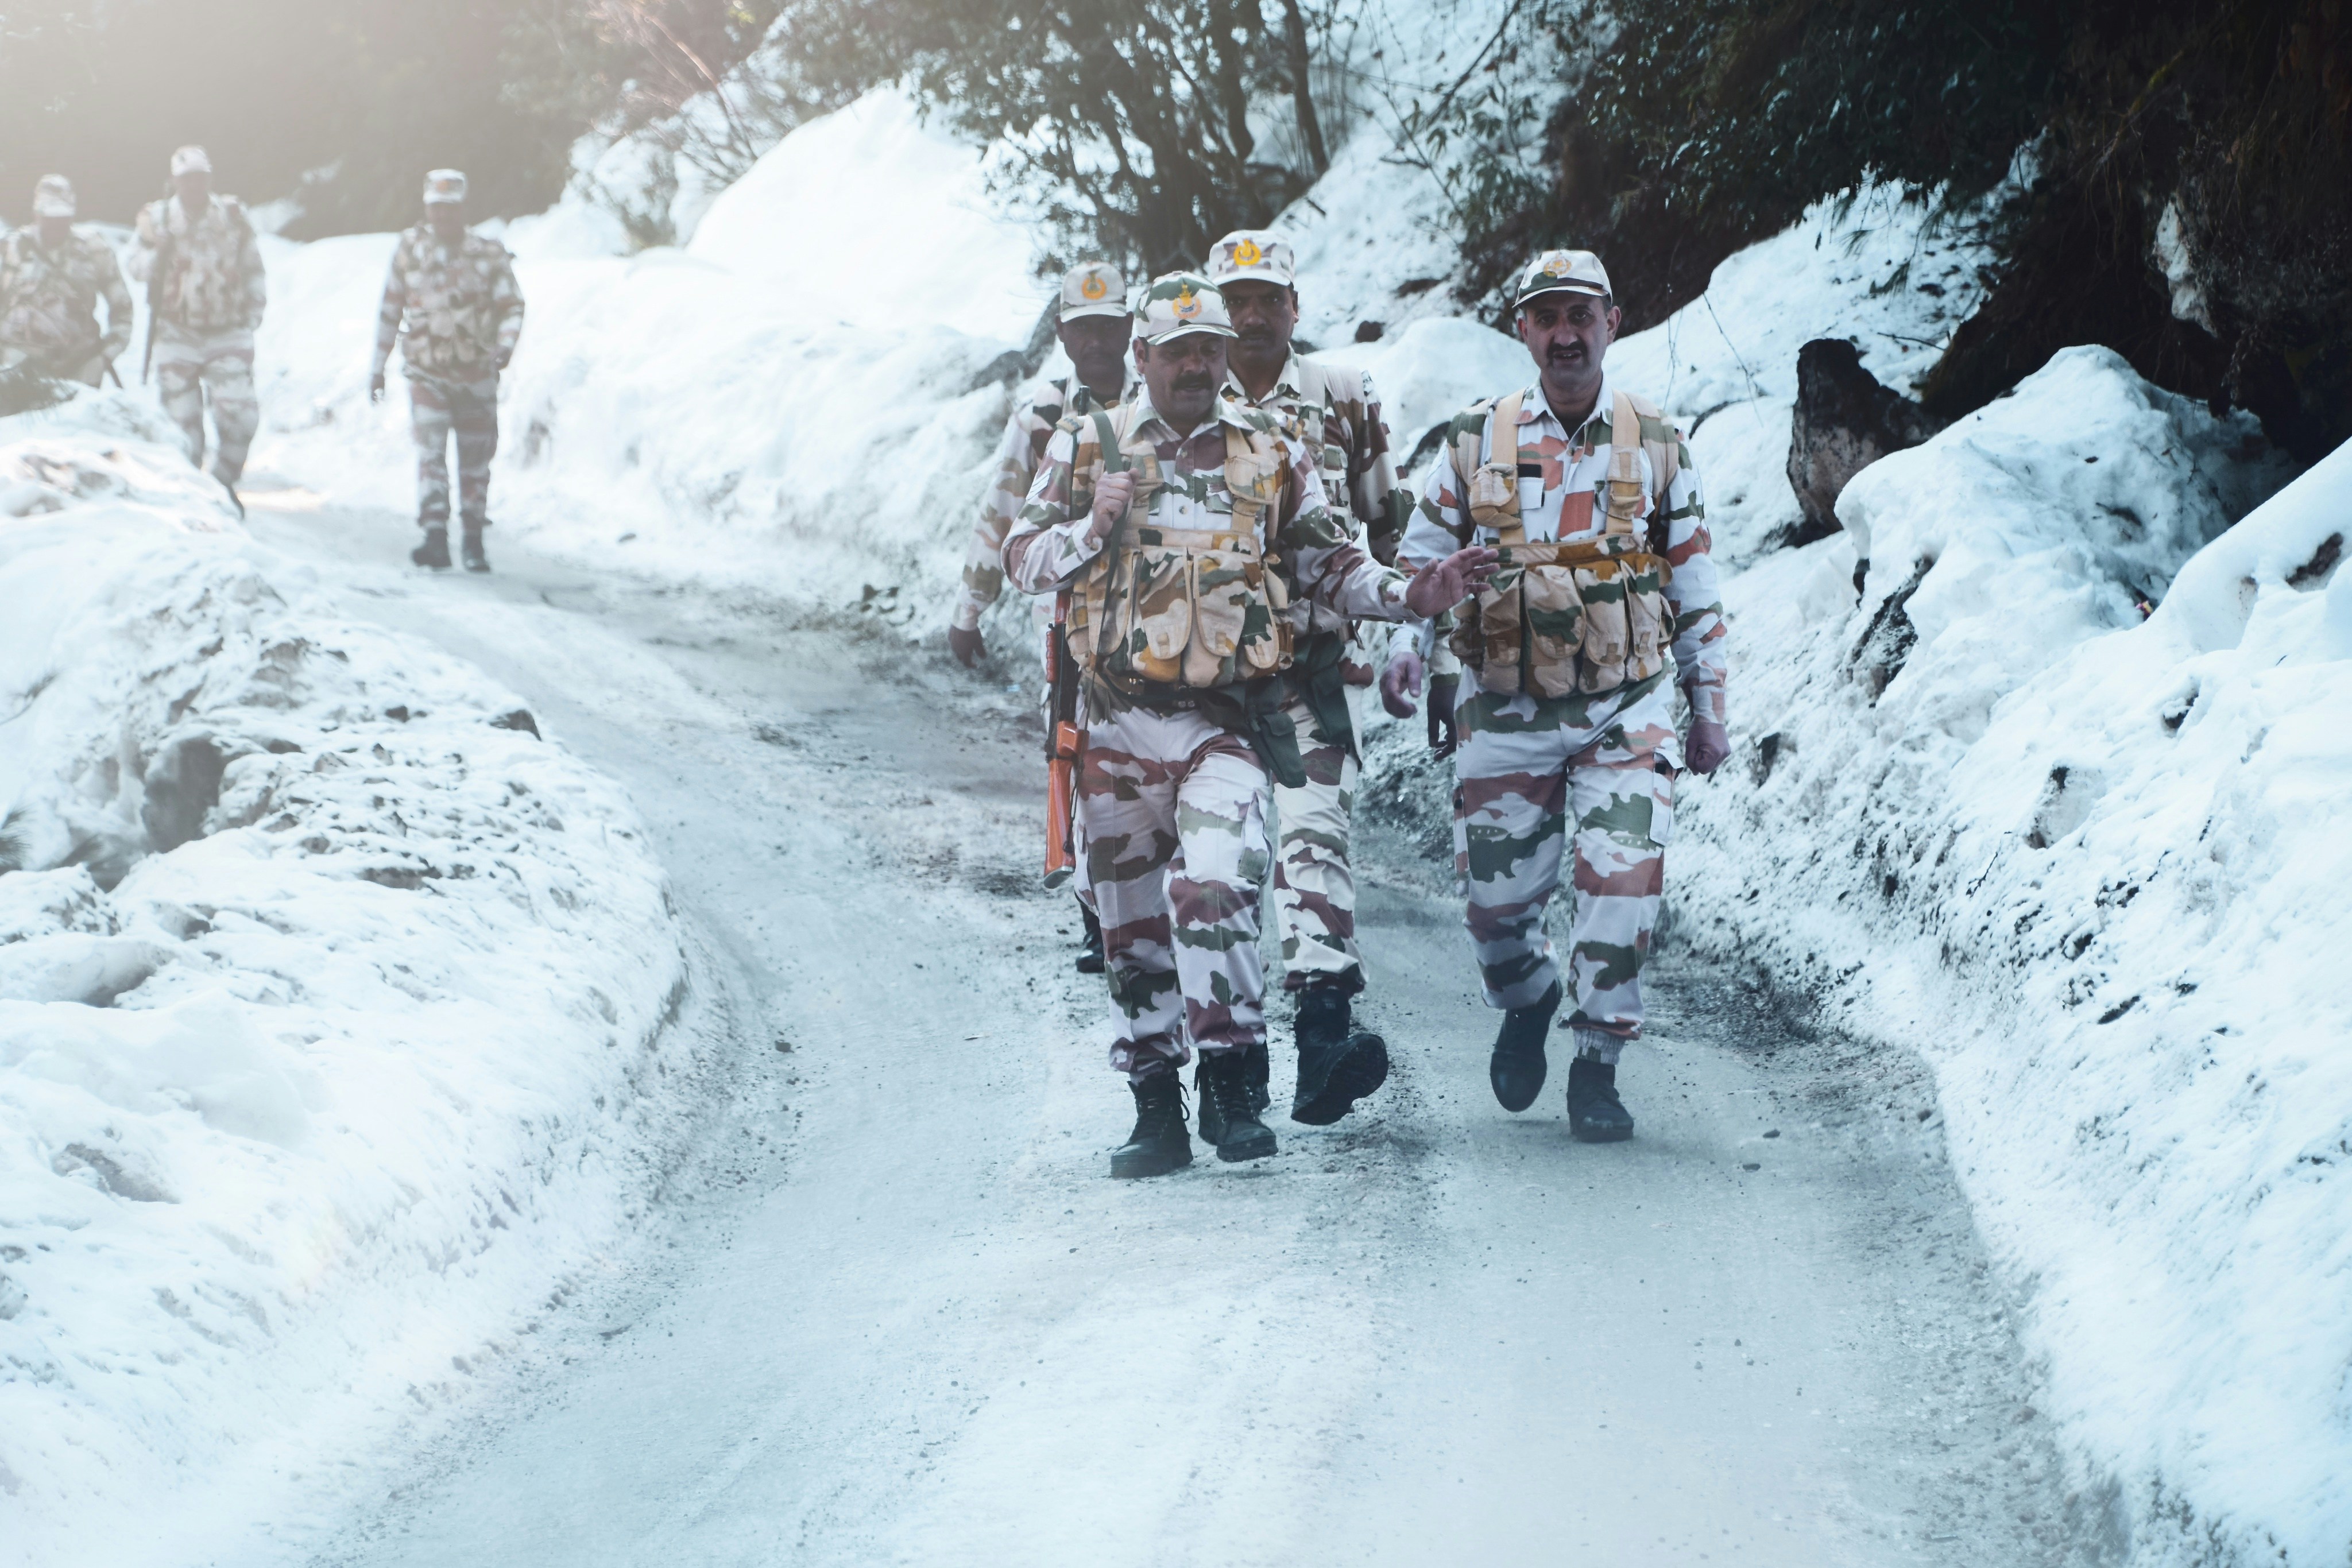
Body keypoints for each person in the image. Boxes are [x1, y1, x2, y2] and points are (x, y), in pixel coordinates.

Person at [1003, 272, 1495, 1179]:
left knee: (1219, 881)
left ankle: (1234, 1080)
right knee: (1130, 927)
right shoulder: (1088, 441)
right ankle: (1156, 1106)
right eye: (1178, 349)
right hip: (1113, 721)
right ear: (1142, 355)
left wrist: (1408, 594)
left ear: (1226, 355)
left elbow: (1329, 560)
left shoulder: (1270, 449)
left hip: (1225, 721)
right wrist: (1090, 526)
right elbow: (1022, 555)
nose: (1196, 365)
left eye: (1209, 349)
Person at [1382, 249, 1730, 1143]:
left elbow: (1691, 583)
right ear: (1524, 329)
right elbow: (1422, 566)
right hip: (1505, 706)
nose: (1567, 334)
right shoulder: (1474, 441)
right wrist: (1406, 647)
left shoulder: (1655, 443)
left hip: (1626, 705)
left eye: (1583, 315)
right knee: (1496, 913)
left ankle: (1597, 1064)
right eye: (1550, 317)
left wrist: (1709, 708)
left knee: (1624, 882)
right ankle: (1529, 997)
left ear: (1612, 322)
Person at [1202, 229, 1407, 1129]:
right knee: (1218, 868)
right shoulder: (1171, 396)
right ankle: (1221, 1063)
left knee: (1313, 836)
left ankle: (1324, 1033)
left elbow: (1387, 524)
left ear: (1295, 306)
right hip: (1198, 680)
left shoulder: (1342, 395)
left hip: (1306, 670)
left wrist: (1416, 636)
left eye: (1267, 299)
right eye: (1235, 300)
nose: (1252, 315)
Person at [950, 260, 1135, 974]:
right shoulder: (1043, 415)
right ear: (1062, 334)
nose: (1095, 341)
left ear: (1127, 329)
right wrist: (970, 607)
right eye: (1081, 328)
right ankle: (1097, 914)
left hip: (1154, 618)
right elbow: (1001, 511)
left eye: (1107, 327)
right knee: (1074, 758)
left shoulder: (1164, 408)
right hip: (1063, 622)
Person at [369, 169, 525, 572]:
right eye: (436, 209)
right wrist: (378, 366)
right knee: (431, 454)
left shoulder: (488, 254)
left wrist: (505, 345)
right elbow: (390, 309)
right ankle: (435, 535)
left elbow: (512, 305)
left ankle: (473, 540)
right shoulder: (410, 251)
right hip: (427, 372)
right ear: (427, 209)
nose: (443, 217)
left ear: (462, 209)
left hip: (476, 374)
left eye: (450, 209)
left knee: (476, 461)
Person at [129, 146, 267, 505]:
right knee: (183, 427)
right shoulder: (156, 219)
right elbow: (134, 266)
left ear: (210, 179)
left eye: (200, 178)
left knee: (242, 419)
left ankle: (222, 483)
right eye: (186, 179)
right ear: (175, 181)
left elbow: (253, 266)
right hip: (177, 333)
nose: (194, 186)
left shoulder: (233, 216)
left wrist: (254, 314)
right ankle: (196, 498)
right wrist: (155, 252)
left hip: (227, 331)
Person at [0, 176, 133, 388]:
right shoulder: (10, 250)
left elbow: (123, 308)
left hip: (80, 366)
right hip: (18, 368)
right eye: (50, 218)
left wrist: (105, 357)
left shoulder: (94, 249)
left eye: (63, 218)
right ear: (36, 214)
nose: (57, 225)